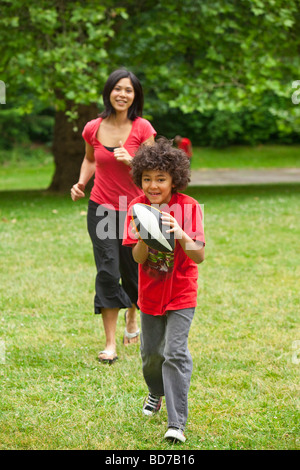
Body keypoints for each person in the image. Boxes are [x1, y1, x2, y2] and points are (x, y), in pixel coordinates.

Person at [71, 68, 157, 364]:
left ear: (135, 96)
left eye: (129, 90)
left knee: (134, 272)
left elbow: (154, 171)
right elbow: (90, 158)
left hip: (136, 210)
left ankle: (132, 315)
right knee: (107, 271)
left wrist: (132, 160)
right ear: (109, 92)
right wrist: (82, 182)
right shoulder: (93, 127)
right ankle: (110, 344)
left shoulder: (143, 128)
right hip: (103, 209)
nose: (123, 94)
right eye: (118, 88)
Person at [123, 138, 205, 442]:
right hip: (151, 293)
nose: (153, 185)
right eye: (147, 179)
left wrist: (180, 232)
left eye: (161, 179)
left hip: (182, 292)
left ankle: (176, 422)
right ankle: (155, 392)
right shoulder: (136, 207)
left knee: (174, 352)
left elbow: (199, 255)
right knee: (150, 355)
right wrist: (144, 237)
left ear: (174, 179)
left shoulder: (189, 206)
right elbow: (136, 258)